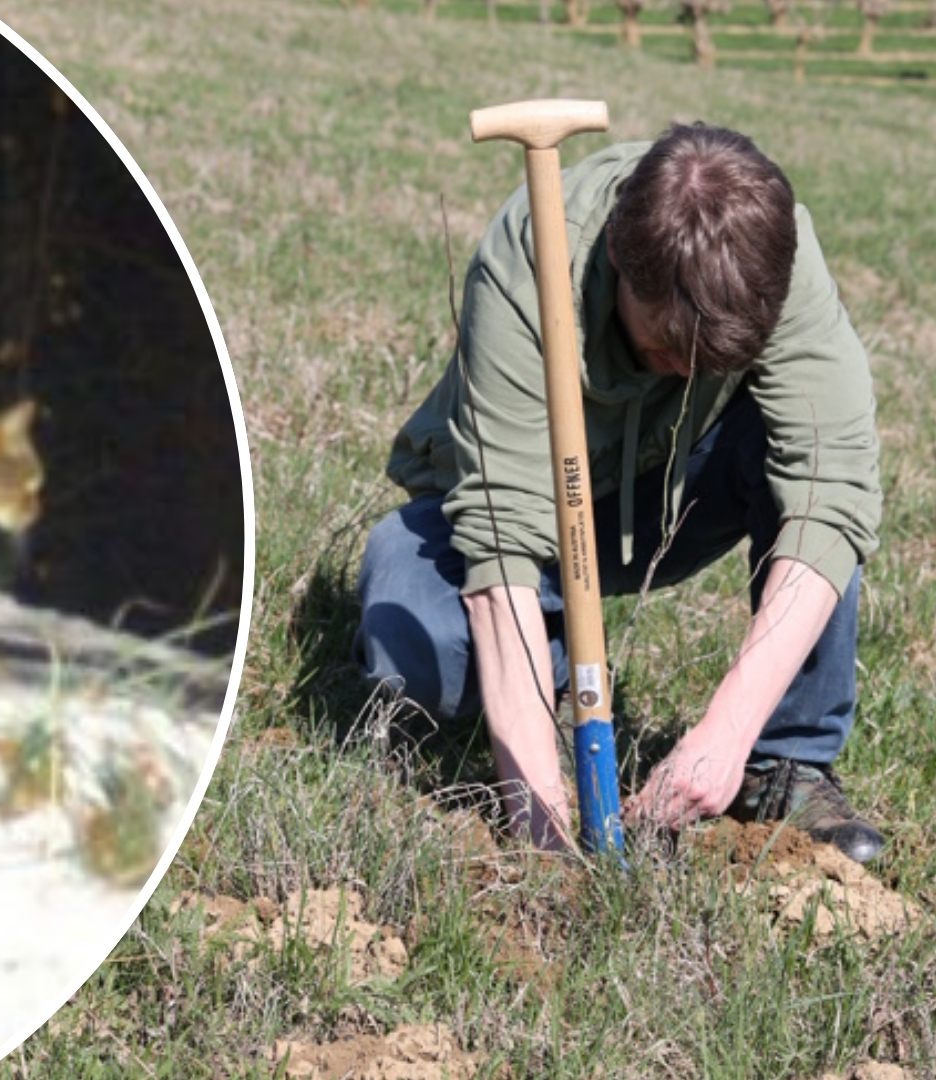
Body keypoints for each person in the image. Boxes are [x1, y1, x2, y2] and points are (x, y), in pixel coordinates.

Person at [354, 123, 884, 862]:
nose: (684, 371)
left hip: (677, 492)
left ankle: (784, 762)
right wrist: (543, 827)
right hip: (524, 503)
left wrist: (727, 731)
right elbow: (501, 537)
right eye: (665, 348)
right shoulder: (533, 256)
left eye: (709, 361)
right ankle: (544, 655)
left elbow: (832, 494)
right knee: (419, 657)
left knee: (809, 463)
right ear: (615, 254)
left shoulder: (771, 254)